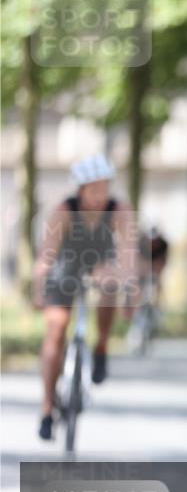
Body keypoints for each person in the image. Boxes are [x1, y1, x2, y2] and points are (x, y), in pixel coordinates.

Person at [32, 154, 139, 441]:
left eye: (105, 187)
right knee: (55, 330)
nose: (100, 195)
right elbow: (47, 255)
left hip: (101, 263)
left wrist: (130, 291)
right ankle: (46, 408)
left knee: (108, 283)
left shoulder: (120, 211)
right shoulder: (64, 211)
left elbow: (128, 257)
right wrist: (39, 287)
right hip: (66, 266)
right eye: (94, 188)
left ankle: (101, 345)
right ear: (80, 189)